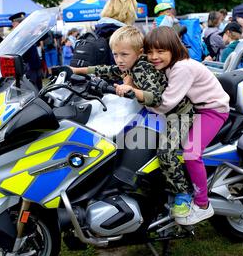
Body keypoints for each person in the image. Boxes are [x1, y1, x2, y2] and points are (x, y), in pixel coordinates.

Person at [69, 26, 194, 208]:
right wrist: (75, 70)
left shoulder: (142, 68)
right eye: (115, 54)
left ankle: (182, 193)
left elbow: (156, 97)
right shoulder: (129, 65)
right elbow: (106, 69)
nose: (119, 60)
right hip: (158, 113)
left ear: (139, 52)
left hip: (178, 113)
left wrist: (132, 90)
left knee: (165, 153)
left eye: (124, 55)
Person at [121, 27, 230, 225]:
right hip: (197, 108)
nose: (154, 57)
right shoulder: (170, 65)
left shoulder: (181, 68)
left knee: (191, 151)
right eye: (150, 51)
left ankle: (203, 204)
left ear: (173, 48)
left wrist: (136, 94)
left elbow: (165, 104)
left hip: (212, 110)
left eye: (160, 51)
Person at [9, 12, 43, 90]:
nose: (13, 26)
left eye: (14, 24)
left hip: (33, 68)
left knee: (36, 90)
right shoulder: (17, 37)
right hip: (29, 69)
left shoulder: (27, 34)